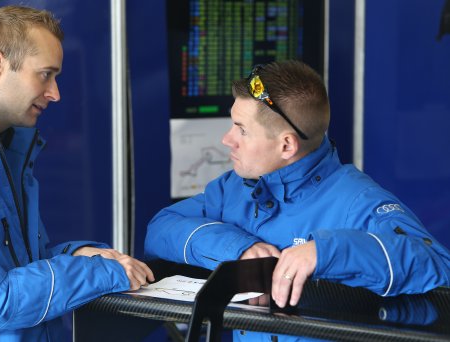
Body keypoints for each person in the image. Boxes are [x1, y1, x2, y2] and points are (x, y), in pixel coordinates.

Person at [144, 60, 450, 341]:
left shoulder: (359, 203)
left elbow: (437, 266)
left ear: (287, 145)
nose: (227, 139)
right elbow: (160, 229)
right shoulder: (234, 190)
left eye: (241, 130)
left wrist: (326, 251)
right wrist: (238, 248)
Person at [0, 5, 154, 341]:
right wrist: (96, 272)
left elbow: (14, 266)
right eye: (45, 74)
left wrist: (75, 253)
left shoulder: (4, 151)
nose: (55, 93)